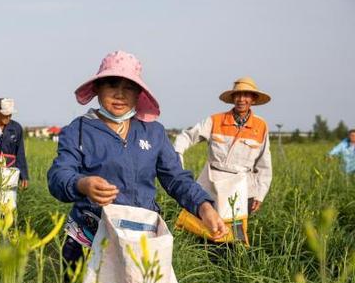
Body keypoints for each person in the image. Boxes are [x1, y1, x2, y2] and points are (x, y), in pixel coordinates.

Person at [47, 50, 227, 271]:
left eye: (129, 87)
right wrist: (81, 184)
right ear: (97, 88)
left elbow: (176, 178)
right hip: (88, 237)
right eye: (112, 84)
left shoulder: (153, 132)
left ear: (139, 94)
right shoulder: (79, 130)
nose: (120, 94)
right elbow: (59, 175)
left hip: (140, 237)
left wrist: (203, 206)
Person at [174, 77, 272, 214]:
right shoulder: (215, 120)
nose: (241, 99)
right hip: (211, 186)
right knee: (203, 229)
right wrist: (177, 155)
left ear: (253, 99)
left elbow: (264, 165)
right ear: (232, 98)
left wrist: (260, 194)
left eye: (246, 95)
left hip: (243, 188)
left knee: (235, 232)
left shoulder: (260, 126)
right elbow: (187, 136)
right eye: (237, 95)